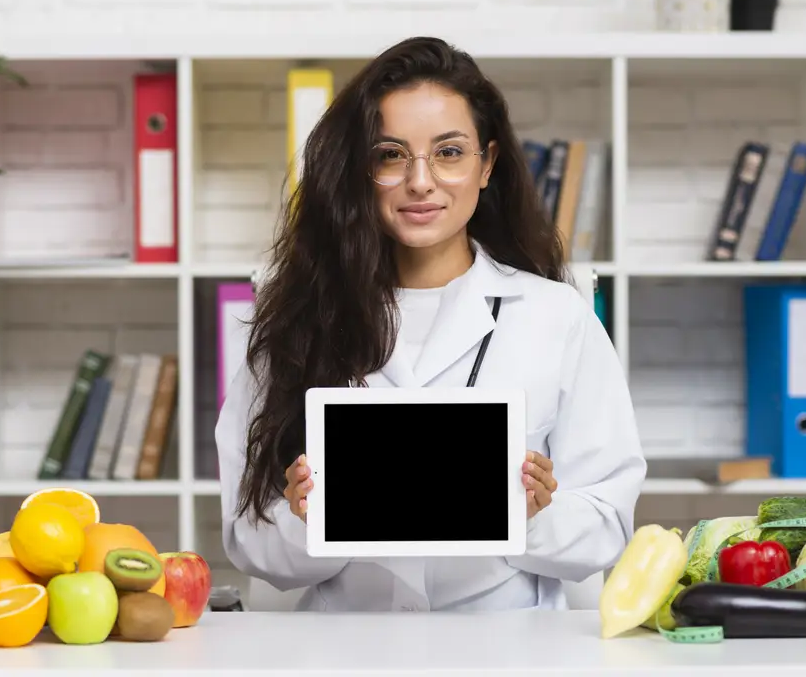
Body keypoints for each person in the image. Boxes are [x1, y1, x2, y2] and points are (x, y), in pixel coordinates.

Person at [215, 35, 646, 613]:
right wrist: (307, 519)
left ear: (486, 164)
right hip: (346, 642)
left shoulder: (557, 315)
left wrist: (529, 514)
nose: (420, 181)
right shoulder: (297, 318)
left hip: (508, 643)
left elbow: (607, 521)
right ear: (360, 170)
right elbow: (249, 538)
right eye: (391, 155)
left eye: (449, 152)